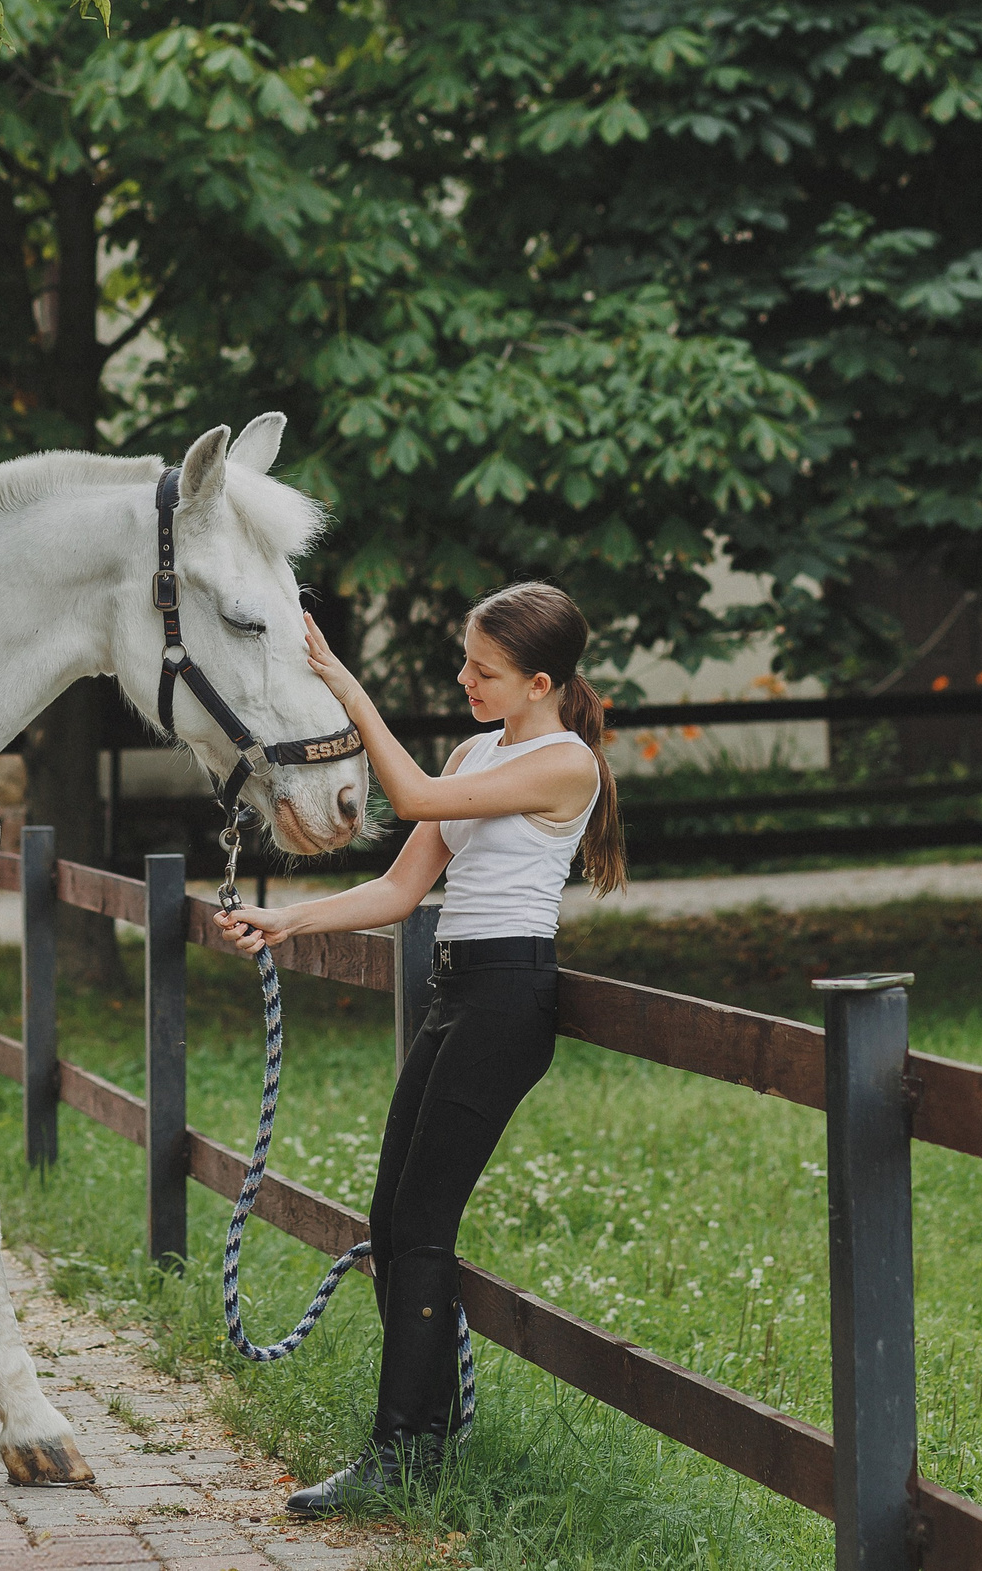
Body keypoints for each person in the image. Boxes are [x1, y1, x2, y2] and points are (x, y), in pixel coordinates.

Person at [214, 581, 625, 1516]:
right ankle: (421, 1441)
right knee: (391, 1220)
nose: (466, 679)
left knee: (425, 1223)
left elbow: (411, 795)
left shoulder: (567, 764)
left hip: (510, 1000)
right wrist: (287, 922)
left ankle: (403, 1452)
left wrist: (347, 689)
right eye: (466, 661)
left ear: (540, 682)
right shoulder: (479, 750)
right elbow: (403, 887)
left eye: (484, 668)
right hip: (455, 991)